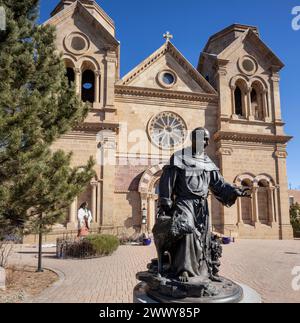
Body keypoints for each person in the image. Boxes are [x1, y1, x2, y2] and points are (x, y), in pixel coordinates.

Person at [158, 127, 250, 282]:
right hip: (184, 202)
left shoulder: (207, 161)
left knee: (204, 237)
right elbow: (167, 179)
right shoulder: (180, 157)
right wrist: (165, 201)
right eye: (204, 139)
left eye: (207, 139)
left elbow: (219, 184)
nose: (207, 142)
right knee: (187, 230)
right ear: (193, 139)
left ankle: (205, 271)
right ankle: (184, 270)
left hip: (202, 205)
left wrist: (234, 191)